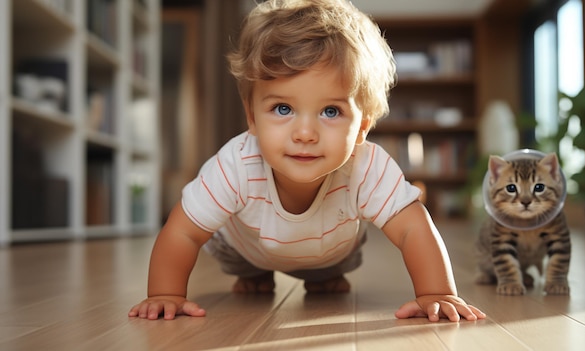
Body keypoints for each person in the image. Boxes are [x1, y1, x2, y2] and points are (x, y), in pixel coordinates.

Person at [129, 0, 486, 323]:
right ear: (251, 117)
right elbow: (182, 232)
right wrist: (166, 294)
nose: (305, 133)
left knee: (333, 267)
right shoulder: (236, 164)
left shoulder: (367, 166)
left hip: (331, 252)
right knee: (229, 250)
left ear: (362, 126)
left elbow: (413, 228)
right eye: (282, 109)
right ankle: (256, 274)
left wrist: (435, 293)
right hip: (245, 248)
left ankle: (323, 275)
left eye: (330, 111)